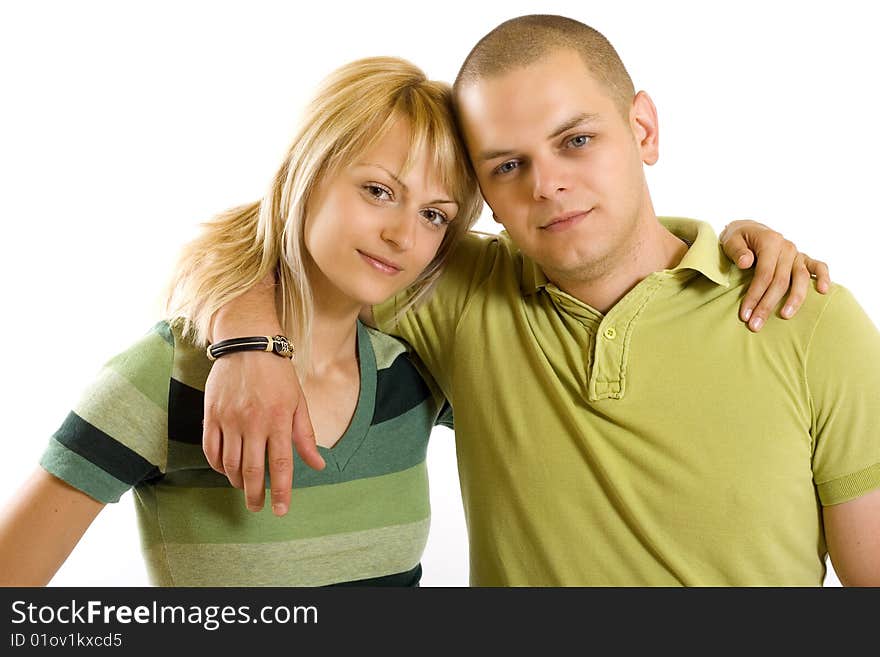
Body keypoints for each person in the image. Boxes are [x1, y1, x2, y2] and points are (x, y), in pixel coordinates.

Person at [203, 15, 878, 586]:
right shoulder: (454, 287)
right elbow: (280, 231)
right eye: (507, 164)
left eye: (576, 141)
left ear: (642, 129)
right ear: (483, 192)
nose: (547, 184)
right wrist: (247, 342)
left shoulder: (806, 316)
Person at [0, 56, 486, 586]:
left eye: (433, 214)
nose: (403, 235)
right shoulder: (165, 375)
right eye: (378, 191)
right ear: (308, 174)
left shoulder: (416, 370)